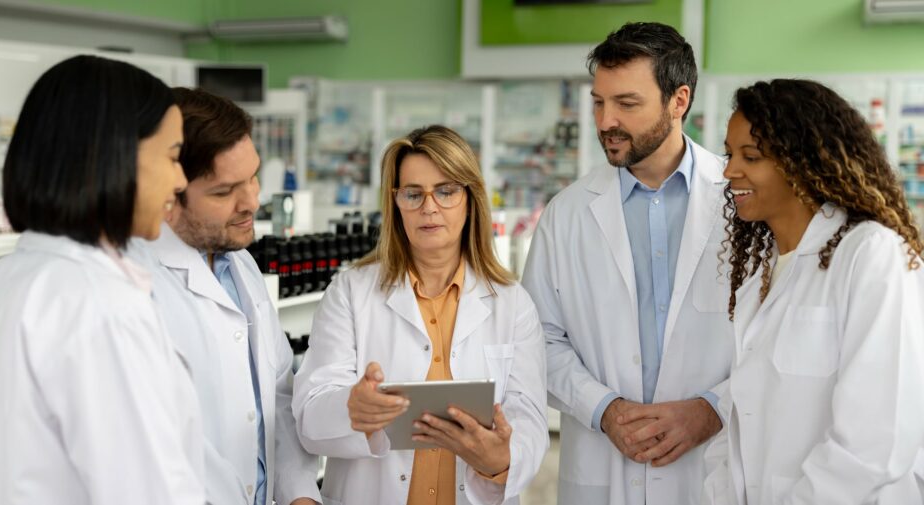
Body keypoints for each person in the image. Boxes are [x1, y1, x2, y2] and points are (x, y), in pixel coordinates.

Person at [0, 55, 203, 505]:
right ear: (111, 156)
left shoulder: (0, 282)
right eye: (172, 157)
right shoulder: (100, 304)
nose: (181, 179)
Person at [521, 22, 733, 505]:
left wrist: (713, 409)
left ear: (679, 101)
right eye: (599, 102)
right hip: (601, 465)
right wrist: (604, 409)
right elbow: (538, 339)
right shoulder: (567, 213)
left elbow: (772, 335)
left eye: (627, 104)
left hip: (711, 466)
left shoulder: (740, 202)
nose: (605, 121)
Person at [292, 125, 548, 504]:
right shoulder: (350, 293)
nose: (429, 207)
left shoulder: (512, 304)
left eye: (446, 191)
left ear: (470, 198)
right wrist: (352, 409)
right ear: (395, 203)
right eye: (413, 194)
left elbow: (528, 418)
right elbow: (310, 418)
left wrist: (501, 458)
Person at [701, 78, 924, 505]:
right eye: (730, 154)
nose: (729, 170)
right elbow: (739, 423)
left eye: (752, 156)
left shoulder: (870, 254)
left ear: (803, 161)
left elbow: (875, 440)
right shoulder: (760, 279)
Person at [130, 87, 321, 505]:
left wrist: (300, 495)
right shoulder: (135, 285)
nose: (252, 201)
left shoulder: (242, 266)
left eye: (253, 177)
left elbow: (278, 397)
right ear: (169, 192)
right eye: (223, 192)